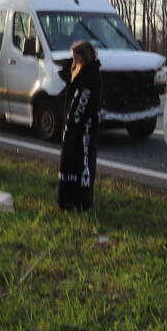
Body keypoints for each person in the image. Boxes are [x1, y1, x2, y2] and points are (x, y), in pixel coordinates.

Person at [58, 40, 102, 211]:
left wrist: (73, 126)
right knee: (70, 165)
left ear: (84, 58)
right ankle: (70, 200)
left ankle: (82, 202)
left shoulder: (89, 77)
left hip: (84, 130)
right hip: (75, 128)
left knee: (82, 165)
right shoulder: (81, 74)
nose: (73, 63)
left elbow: (83, 104)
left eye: (75, 58)